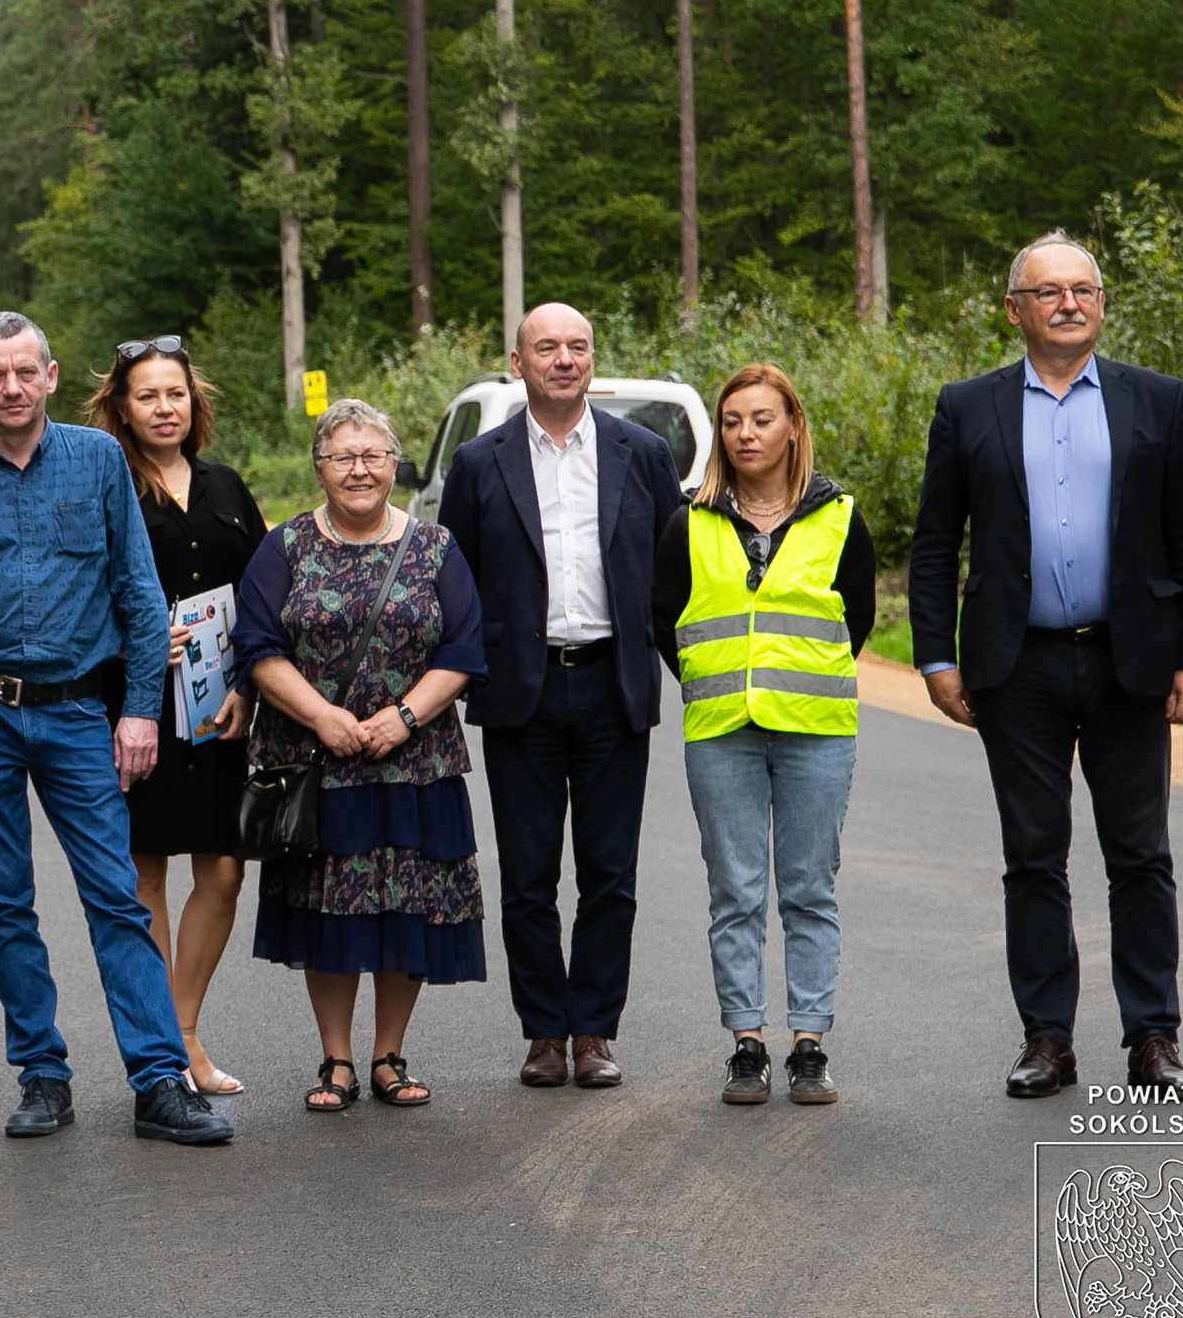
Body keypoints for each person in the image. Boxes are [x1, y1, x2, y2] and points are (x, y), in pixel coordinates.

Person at [0, 311, 234, 1147]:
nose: (11, 387)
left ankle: (159, 1079)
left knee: (116, 900)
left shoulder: (97, 463)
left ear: (50, 377)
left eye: (25, 371)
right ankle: (42, 1074)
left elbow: (136, 590)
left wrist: (138, 712)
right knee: (6, 903)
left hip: (82, 713)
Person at [910, 233, 1183, 1099]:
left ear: (1102, 303)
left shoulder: (1157, 401)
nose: (1069, 303)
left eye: (1083, 288)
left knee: (1140, 855)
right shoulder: (967, 408)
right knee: (1035, 856)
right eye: (1049, 291)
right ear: (1015, 310)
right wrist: (936, 657)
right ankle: (1047, 1039)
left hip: (1132, 663)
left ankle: (1153, 1038)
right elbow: (935, 545)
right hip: (1018, 667)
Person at [437, 303, 685, 1090]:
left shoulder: (642, 453)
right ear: (518, 363)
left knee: (611, 873)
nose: (564, 359)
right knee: (529, 874)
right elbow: (455, 585)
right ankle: (544, 1031)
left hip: (615, 686)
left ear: (592, 360)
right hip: (523, 693)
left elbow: (675, 572)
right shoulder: (481, 463)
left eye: (578, 346)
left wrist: (687, 673)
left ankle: (594, 1033)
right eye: (547, 347)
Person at [235, 400, 487, 1110]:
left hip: (415, 764)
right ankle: (336, 1061)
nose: (359, 470)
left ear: (393, 465)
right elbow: (256, 646)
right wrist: (323, 716)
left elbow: (464, 646)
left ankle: (389, 1057)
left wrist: (405, 717)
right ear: (319, 467)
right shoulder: (281, 548)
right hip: (318, 766)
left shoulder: (436, 547)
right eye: (343, 457)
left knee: (406, 907)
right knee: (329, 911)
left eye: (373, 456)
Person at [652, 365, 876, 1106]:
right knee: (736, 891)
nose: (745, 433)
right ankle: (746, 1043)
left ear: (793, 427)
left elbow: (859, 620)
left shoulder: (840, 517)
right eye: (733, 421)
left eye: (761, 419)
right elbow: (666, 621)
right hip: (721, 731)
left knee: (809, 889)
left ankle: (808, 1043)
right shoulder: (689, 520)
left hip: (816, 730)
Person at [83, 334, 265, 1097]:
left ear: (196, 404)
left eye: (176, 394)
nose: (165, 407)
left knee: (222, 871)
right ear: (121, 410)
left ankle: (182, 1028)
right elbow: (74, 597)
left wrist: (251, 691)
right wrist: (129, 644)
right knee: (143, 875)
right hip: (138, 709)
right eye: (148, 395)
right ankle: (165, 1051)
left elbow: (264, 599)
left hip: (220, 709)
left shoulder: (225, 486)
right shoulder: (105, 486)